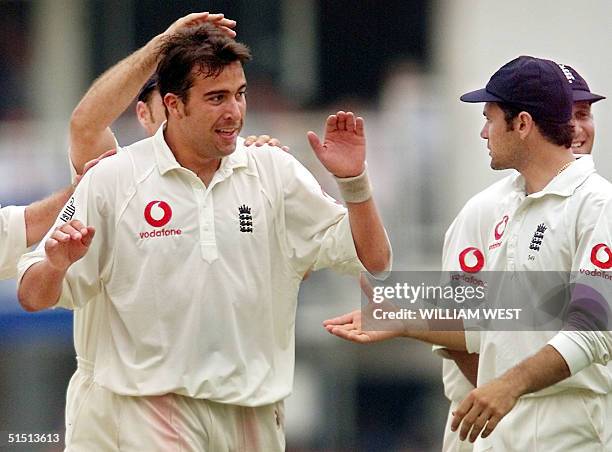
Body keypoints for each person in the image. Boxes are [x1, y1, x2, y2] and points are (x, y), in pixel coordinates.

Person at [17, 24, 391, 451]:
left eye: (240, 94)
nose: (234, 111)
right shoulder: (113, 178)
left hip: (254, 409)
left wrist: (354, 182)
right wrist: (59, 262)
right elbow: (31, 293)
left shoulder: (274, 169)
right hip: (151, 408)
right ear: (173, 105)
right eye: (216, 98)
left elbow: (374, 261)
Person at [325, 56, 612, 451]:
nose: (483, 132)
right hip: (499, 429)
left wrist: (506, 385)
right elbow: (496, 319)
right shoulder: (506, 205)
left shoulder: (599, 204)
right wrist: (403, 317)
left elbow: (594, 330)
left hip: (568, 427)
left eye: (490, 118)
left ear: (523, 124)